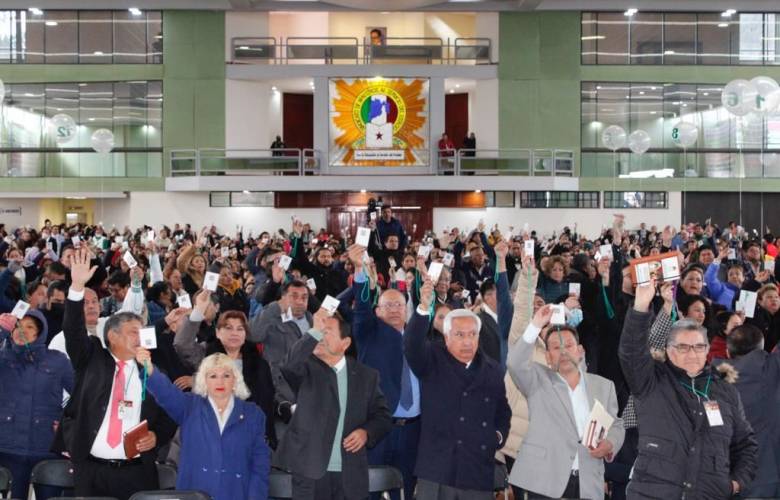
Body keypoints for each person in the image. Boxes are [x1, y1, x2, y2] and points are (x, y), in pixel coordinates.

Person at [619, 277, 757, 499]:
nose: (692, 353)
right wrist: (640, 307)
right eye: (683, 347)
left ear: (707, 351)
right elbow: (631, 352)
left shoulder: (725, 391)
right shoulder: (651, 381)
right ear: (670, 350)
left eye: (698, 347)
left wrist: (735, 483)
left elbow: (745, 445)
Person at [59, 248, 176, 500]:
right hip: (91, 471)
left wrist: (157, 435)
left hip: (136, 474)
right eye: (134, 331)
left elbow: (171, 413)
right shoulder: (91, 358)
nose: (141, 336)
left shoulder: (152, 371)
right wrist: (77, 287)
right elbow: (73, 330)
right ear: (112, 336)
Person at [403, 278, 510, 499]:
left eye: (472, 335)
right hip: (437, 469)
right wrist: (423, 308)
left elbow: (502, 410)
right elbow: (411, 345)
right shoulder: (432, 358)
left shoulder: (493, 369)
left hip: (477, 470)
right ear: (447, 335)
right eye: (460, 335)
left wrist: (497, 436)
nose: (467, 341)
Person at [507, 304, 624, 500]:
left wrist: (610, 444)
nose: (563, 352)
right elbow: (515, 363)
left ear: (580, 351)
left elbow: (617, 424)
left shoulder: (604, 386)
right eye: (555, 348)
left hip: (588, 481)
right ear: (548, 357)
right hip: (543, 480)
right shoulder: (537, 379)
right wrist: (536, 324)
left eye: (568, 346)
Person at [274, 307, 392, 499]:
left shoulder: (366, 376)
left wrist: (366, 432)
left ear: (345, 343)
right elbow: (289, 365)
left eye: (326, 331)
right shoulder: (305, 368)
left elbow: (383, 416)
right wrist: (313, 331)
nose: (320, 336)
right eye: (319, 331)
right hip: (309, 472)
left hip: (350, 474)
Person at [139, 350, 270, 500]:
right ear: (204, 381)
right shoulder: (189, 406)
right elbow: (166, 393)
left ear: (235, 380)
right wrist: (149, 368)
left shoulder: (253, 414)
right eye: (213, 376)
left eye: (226, 376)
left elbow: (260, 464)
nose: (220, 382)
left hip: (236, 492)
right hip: (195, 492)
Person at [174, 292, 277, 448]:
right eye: (228, 328)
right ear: (217, 332)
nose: (234, 333)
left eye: (240, 329)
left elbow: (266, 403)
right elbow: (182, 345)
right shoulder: (206, 354)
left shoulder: (259, 364)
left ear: (245, 334)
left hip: (248, 437)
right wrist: (198, 311)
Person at [0, 309, 74, 500]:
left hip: (46, 448)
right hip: (8, 448)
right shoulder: (2, 358)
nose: (21, 330)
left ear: (39, 332)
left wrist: (66, 424)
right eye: (17, 326)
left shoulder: (57, 360)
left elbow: (81, 396)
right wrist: (1, 330)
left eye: (29, 326)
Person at [719, 324, 780, 498]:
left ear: (728, 352)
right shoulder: (773, 369)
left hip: (729, 477)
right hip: (771, 474)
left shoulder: (708, 380)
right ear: (762, 347)